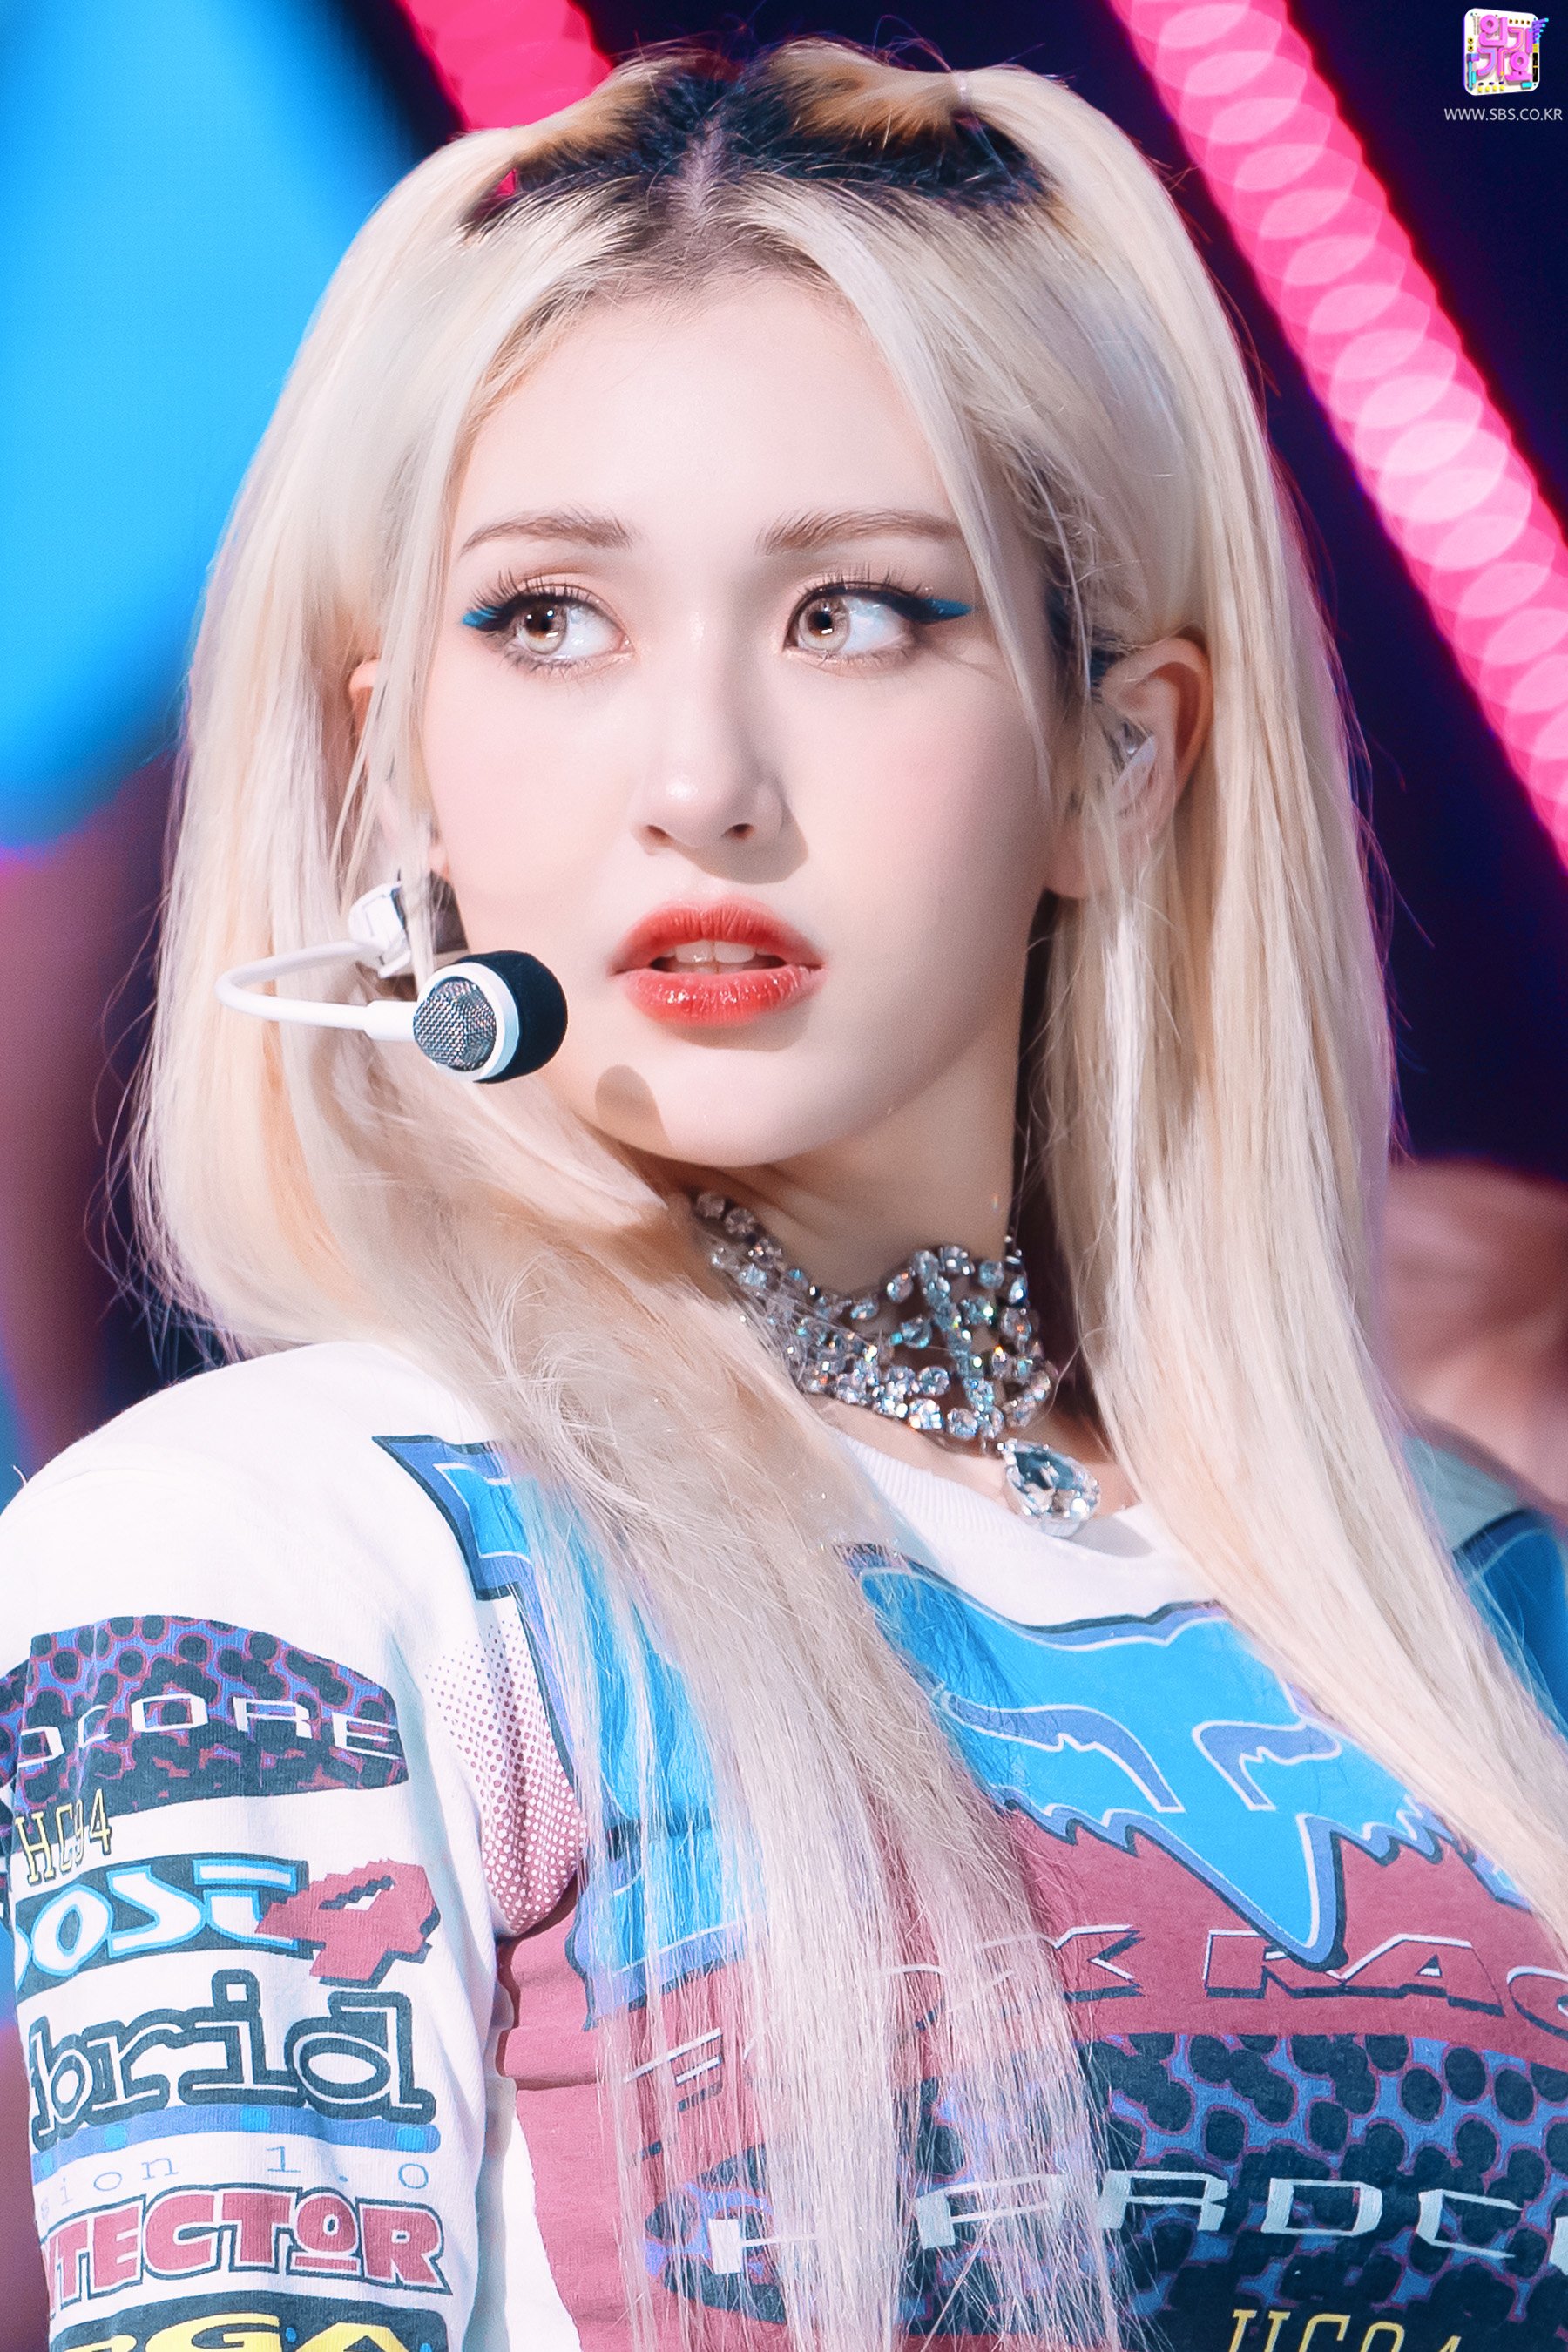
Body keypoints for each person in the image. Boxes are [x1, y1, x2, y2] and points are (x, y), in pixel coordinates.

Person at [2, 42, 1567, 2352]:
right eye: (548, 617)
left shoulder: (1477, 1597)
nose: (702, 779)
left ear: (1120, 754)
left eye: (860, 612)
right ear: (392, 763)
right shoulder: (274, 1550)